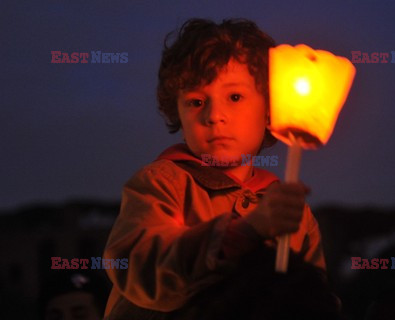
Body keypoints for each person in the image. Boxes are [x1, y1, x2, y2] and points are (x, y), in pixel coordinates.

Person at [103, 18, 326, 319]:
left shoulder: (294, 215)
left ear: (271, 108)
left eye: (235, 97)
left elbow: (319, 300)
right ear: (177, 112)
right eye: (196, 101)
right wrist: (244, 233)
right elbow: (137, 266)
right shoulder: (162, 182)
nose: (214, 115)